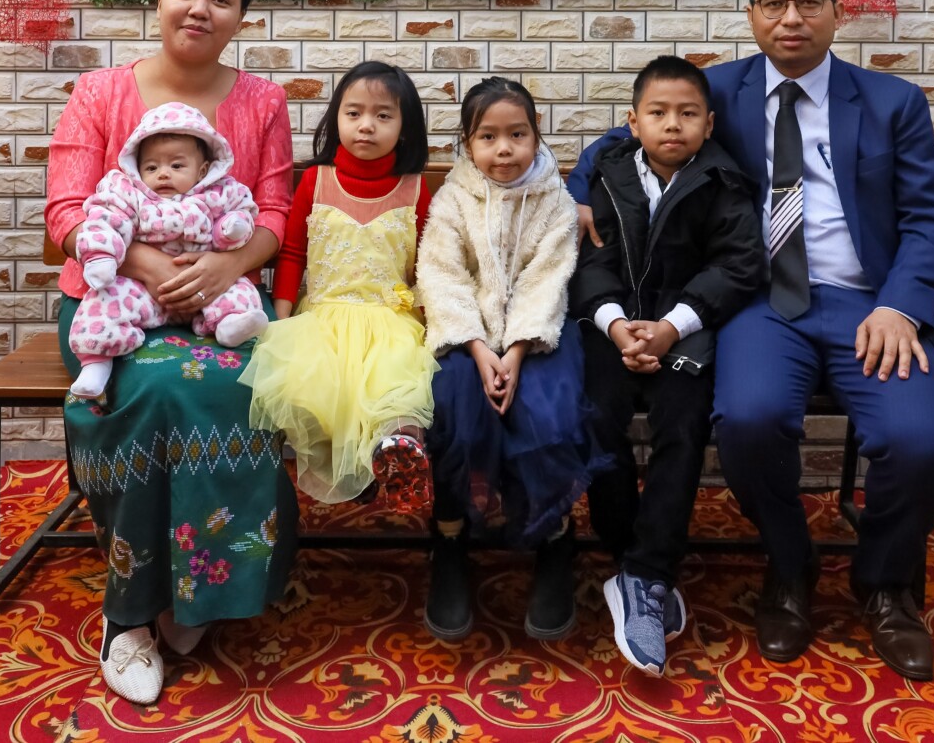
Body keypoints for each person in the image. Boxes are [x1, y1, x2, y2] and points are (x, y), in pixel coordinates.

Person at [567, 0, 934, 681]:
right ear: (751, 15)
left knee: (921, 445)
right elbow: (619, 143)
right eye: (773, 3)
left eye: (809, 2)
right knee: (747, 422)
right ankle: (790, 564)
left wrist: (902, 307)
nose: (791, 18)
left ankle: (884, 584)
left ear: (838, 12)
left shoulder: (892, 103)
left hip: (869, 305)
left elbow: (930, 219)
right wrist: (574, 199)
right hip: (762, 303)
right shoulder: (717, 93)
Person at [46, 0, 297, 706]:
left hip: (222, 302)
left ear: (241, 17)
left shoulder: (263, 101)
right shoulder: (99, 92)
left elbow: (275, 211)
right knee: (155, 388)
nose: (200, 9)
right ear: (159, 0)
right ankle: (128, 614)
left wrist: (225, 268)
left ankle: (203, 590)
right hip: (113, 303)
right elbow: (65, 211)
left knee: (238, 386)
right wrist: (150, 265)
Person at [570, 55, 764, 677]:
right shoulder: (609, 174)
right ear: (633, 122)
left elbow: (737, 265)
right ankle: (630, 555)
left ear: (709, 123)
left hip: (687, 331)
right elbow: (590, 261)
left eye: (687, 114)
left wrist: (671, 327)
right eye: (658, 113)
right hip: (611, 329)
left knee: (683, 427)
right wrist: (614, 324)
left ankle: (648, 574)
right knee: (596, 414)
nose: (672, 125)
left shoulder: (723, 180)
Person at [414, 77, 607, 643]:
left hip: (538, 336)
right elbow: (441, 275)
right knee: (454, 406)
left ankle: (553, 536)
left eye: (517, 135)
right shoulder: (453, 198)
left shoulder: (556, 201)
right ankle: (451, 536)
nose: (504, 150)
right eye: (488, 137)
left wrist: (518, 350)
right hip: (466, 338)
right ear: (467, 143)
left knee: (548, 411)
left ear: (536, 135)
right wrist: (477, 347)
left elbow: (549, 279)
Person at [241, 61, 440, 513]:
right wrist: (281, 321)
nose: (366, 125)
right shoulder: (317, 180)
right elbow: (293, 253)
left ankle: (401, 449)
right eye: (354, 113)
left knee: (396, 382)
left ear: (405, 128)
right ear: (337, 119)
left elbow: (427, 267)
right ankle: (358, 472)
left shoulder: (414, 188)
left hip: (391, 321)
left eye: (383, 115)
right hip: (322, 318)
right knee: (309, 386)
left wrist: (431, 324)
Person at [67, 102, 270, 399]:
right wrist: (101, 255)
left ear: (202, 171)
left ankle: (231, 325)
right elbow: (107, 221)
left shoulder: (219, 192)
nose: (163, 174)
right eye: (152, 167)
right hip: (141, 287)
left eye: (176, 166)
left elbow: (236, 220)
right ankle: (96, 365)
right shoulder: (128, 193)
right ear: (136, 167)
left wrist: (232, 230)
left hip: (207, 283)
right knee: (105, 300)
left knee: (238, 290)